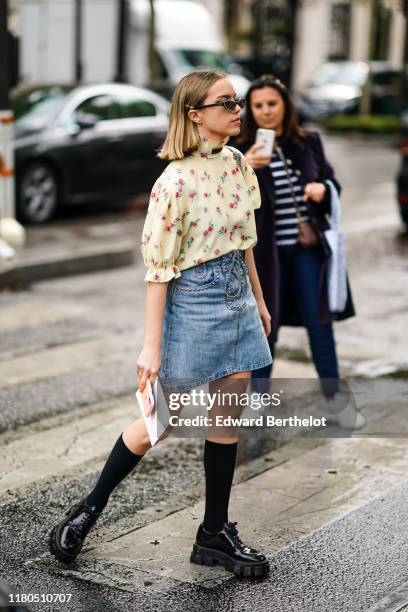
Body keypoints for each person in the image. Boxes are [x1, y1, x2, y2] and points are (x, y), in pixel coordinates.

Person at [48, 69, 273, 578]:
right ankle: (87, 511)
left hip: (236, 294)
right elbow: (158, 272)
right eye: (227, 103)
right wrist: (151, 347)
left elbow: (244, 241)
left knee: (227, 413)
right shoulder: (173, 182)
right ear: (195, 114)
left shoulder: (237, 164)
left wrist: (258, 300)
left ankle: (214, 533)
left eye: (237, 102)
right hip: (193, 298)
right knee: (160, 422)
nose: (237, 110)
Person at [234, 74, 364, 429]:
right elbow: (228, 200)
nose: (265, 112)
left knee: (319, 323)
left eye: (272, 104)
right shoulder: (239, 150)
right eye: (258, 105)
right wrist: (245, 166)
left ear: (285, 106)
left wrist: (323, 188)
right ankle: (258, 399)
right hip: (265, 257)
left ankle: (335, 400)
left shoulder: (309, 142)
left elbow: (332, 181)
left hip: (307, 251)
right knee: (265, 327)